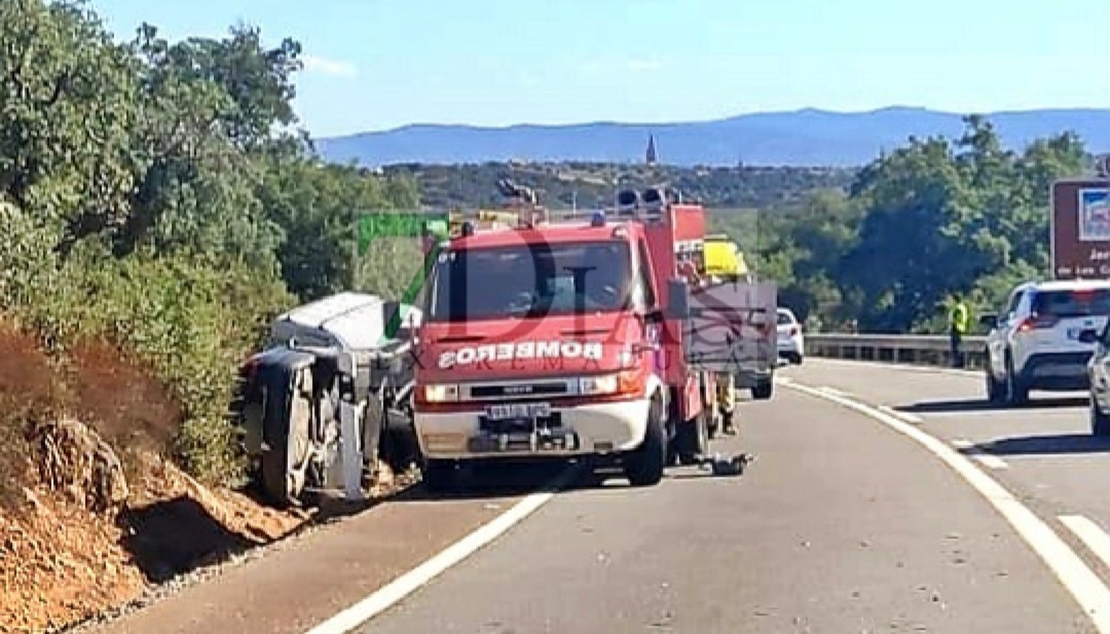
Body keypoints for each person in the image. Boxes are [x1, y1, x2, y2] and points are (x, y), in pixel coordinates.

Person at [948, 293, 970, 368]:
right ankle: (960, 362)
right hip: (962, 328)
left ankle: (956, 363)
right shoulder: (963, 307)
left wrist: (952, 324)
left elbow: (954, 319)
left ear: (955, 300)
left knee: (955, 347)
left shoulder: (957, 308)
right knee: (959, 347)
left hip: (956, 328)